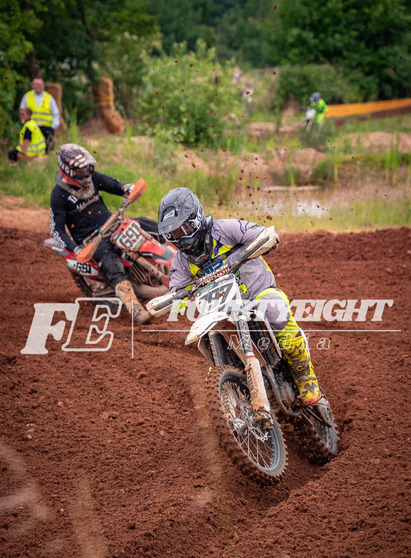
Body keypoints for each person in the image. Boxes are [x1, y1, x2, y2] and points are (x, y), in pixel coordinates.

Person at [157, 187, 325, 407]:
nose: (180, 237)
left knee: (276, 312)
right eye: (174, 234)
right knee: (210, 339)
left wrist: (262, 242)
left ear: (196, 219)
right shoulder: (181, 260)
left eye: (183, 229)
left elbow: (265, 235)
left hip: (258, 293)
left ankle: (305, 377)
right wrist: (173, 301)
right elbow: (176, 291)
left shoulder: (224, 229)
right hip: (221, 310)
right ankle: (228, 399)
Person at [50, 143, 151, 325]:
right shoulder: (59, 195)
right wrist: (76, 249)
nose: (86, 173)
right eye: (80, 171)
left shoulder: (92, 178)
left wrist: (126, 188)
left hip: (112, 223)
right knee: (111, 263)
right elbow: (57, 229)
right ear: (67, 171)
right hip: (92, 240)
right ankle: (136, 309)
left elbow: (113, 185)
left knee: (144, 223)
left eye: (87, 168)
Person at [20, 76, 60, 151]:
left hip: (46, 128)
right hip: (31, 127)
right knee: (30, 148)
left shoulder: (49, 98)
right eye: (35, 84)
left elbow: (56, 114)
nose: (37, 87)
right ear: (33, 85)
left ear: (43, 86)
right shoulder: (27, 96)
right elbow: (22, 111)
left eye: (39, 85)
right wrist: (24, 123)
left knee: (48, 149)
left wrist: (53, 127)